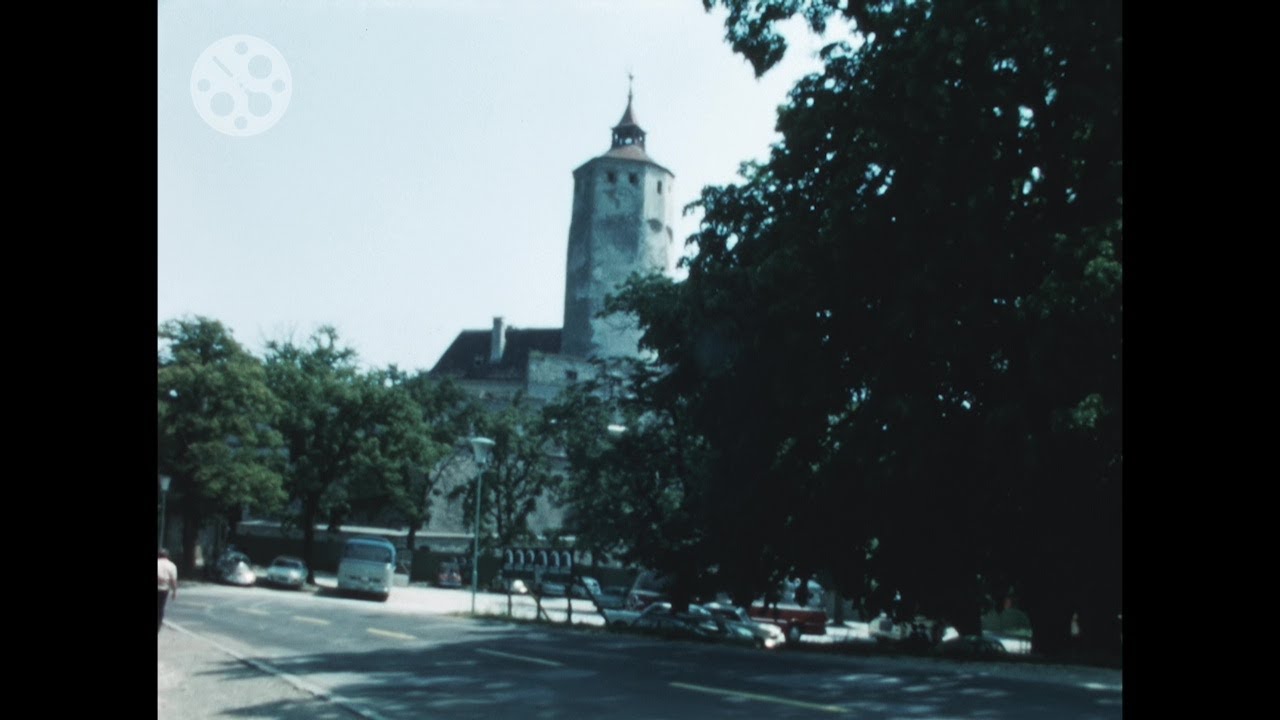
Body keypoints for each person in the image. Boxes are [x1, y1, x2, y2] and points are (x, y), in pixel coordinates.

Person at [158, 548, 178, 633]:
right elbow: (173, 580)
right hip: (163, 589)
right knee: (160, 608)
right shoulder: (172, 565)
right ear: (167, 556)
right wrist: (174, 591)